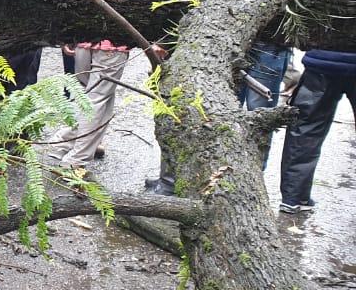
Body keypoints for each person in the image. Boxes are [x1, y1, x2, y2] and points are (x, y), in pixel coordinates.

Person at [145, 41, 292, 195]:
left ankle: (249, 184)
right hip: (226, 45)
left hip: (270, 48)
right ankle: (173, 180)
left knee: (260, 120)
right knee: (206, 112)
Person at [278, 49, 356, 213]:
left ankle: (294, 197)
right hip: (325, 62)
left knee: (306, 128)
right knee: (306, 127)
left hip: (322, 62)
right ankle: (295, 197)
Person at [49, 40, 130, 171]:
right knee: (96, 98)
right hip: (111, 46)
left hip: (82, 43)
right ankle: (76, 157)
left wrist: (67, 38)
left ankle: (63, 144)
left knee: (83, 92)